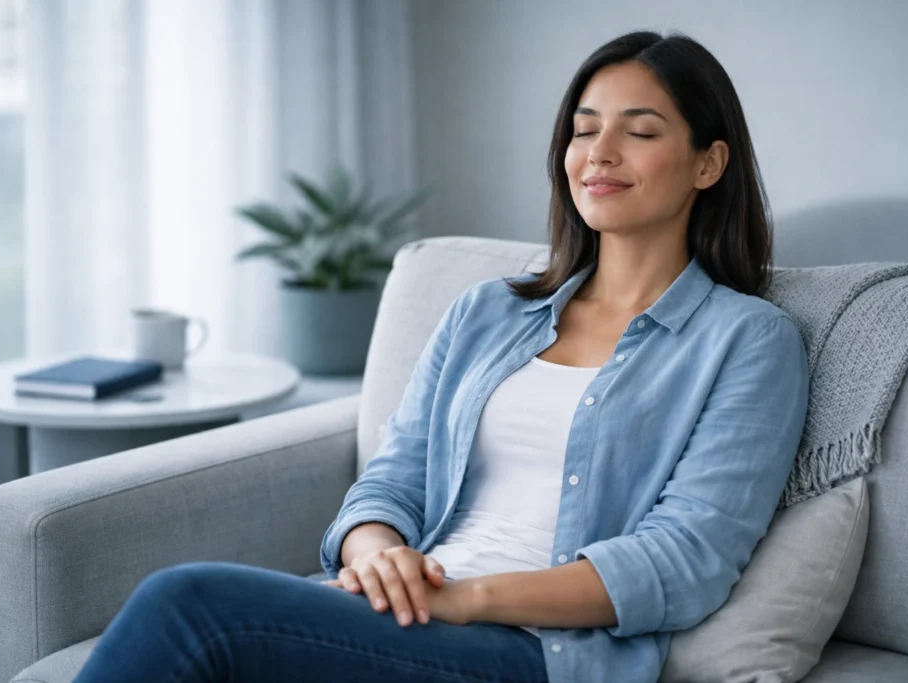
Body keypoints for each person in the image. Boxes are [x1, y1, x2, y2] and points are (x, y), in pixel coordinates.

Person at [73, 30, 809, 683]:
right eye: (584, 129)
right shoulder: (486, 312)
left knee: (188, 604)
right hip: (407, 614)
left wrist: (465, 597)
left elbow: (682, 560)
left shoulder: (747, 340)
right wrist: (377, 556)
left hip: (534, 649)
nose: (599, 152)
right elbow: (392, 479)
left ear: (708, 163)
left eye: (639, 131)